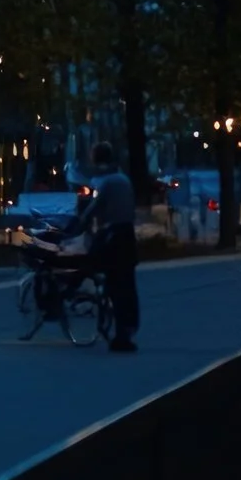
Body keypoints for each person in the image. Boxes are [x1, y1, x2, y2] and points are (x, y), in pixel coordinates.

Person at [85, 142, 138, 352]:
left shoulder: (104, 182)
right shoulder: (124, 179)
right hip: (128, 235)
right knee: (128, 286)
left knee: (114, 284)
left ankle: (120, 333)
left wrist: (78, 225)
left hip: (113, 237)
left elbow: (92, 210)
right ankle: (128, 328)